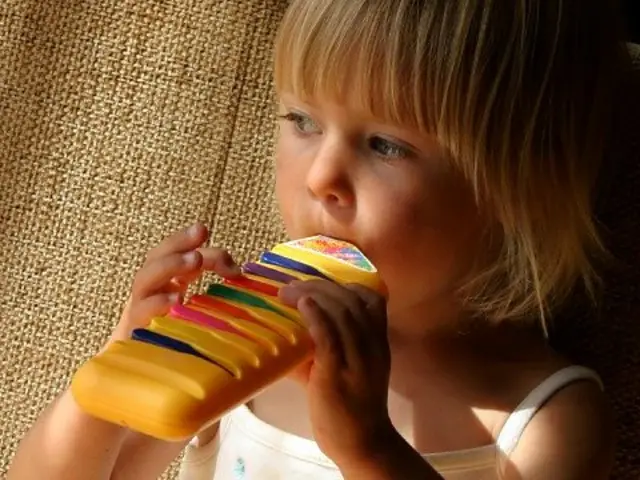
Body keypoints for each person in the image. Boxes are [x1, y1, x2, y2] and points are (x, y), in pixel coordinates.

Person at [9, 0, 631, 478]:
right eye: (303, 121)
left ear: (518, 189)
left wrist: (367, 447)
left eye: (386, 144)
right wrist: (117, 371)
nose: (320, 177)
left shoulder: (546, 419)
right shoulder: (239, 353)